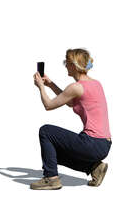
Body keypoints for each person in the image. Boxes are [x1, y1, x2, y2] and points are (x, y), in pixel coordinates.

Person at [31, 48, 112, 190]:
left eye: (66, 62)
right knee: (52, 155)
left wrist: (41, 87)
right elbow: (69, 101)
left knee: (45, 131)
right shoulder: (95, 84)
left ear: (74, 65)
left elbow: (48, 105)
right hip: (103, 144)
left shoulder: (76, 87)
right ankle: (95, 167)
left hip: (92, 142)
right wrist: (50, 84)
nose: (65, 65)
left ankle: (51, 179)